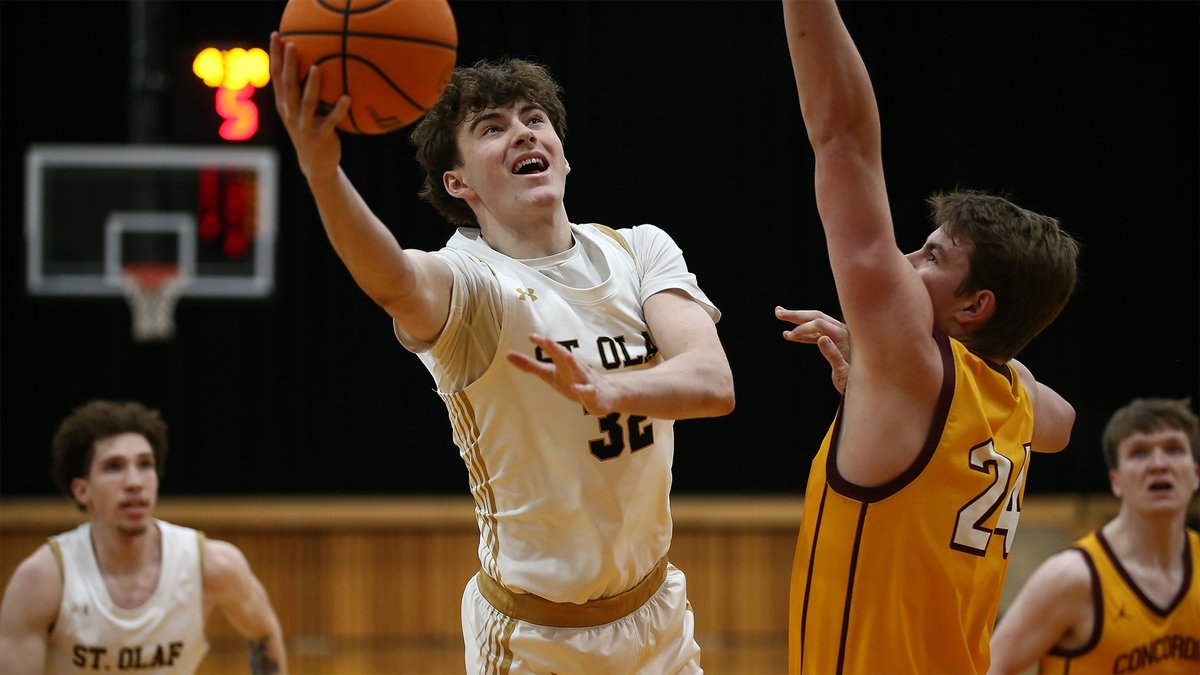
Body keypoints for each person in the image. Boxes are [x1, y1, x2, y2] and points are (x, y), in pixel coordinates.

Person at [269, 31, 734, 674]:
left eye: (535, 119)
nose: (523, 133)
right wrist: (324, 176)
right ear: (457, 182)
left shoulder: (640, 250)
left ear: (563, 156)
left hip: (658, 613)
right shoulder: (473, 285)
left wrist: (610, 389)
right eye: (492, 127)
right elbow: (393, 280)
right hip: (537, 639)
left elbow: (713, 382)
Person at [778, 1, 1080, 672]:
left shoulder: (918, 362)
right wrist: (878, 376)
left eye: (933, 256)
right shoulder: (1015, 397)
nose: (908, 262)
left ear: (975, 305)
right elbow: (1063, 423)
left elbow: (843, 137)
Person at [0, 400, 288, 675]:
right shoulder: (42, 579)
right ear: (82, 490)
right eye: (114, 467)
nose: (135, 482)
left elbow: (263, 633)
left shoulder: (212, 563)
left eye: (145, 464)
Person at [989, 398, 1200, 674]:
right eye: (1139, 453)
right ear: (1116, 482)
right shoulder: (1071, 576)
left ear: (1195, 475)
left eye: (1173, 449)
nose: (1159, 464)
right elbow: (990, 667)